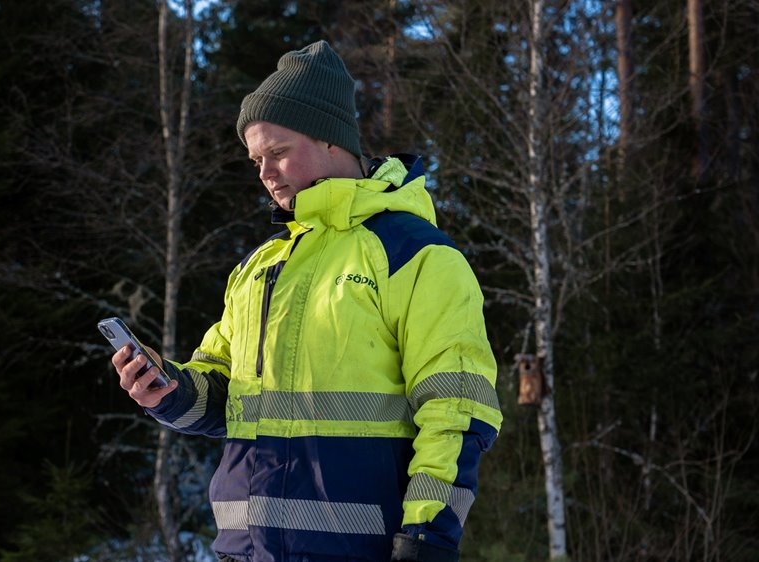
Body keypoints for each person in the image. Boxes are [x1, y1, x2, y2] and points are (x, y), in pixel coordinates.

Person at [113, 40, 502, 562]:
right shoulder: (259, 267)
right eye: (255, 160)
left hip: (358, 551)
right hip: (244, 550)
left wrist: (427, 539)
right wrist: (167, 391)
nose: (265, 174)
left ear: (333, 140)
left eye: (277, 153)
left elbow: (456, 412)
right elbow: (223, 396)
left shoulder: (415, 255)